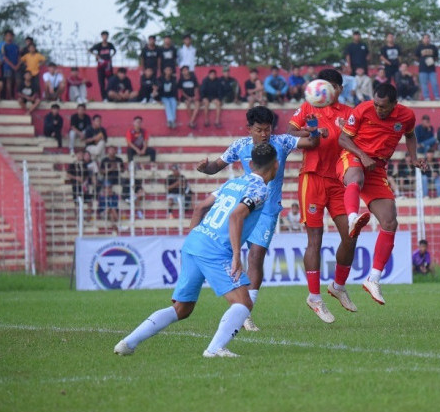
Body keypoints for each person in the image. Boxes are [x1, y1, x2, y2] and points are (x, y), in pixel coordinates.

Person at [114, 143, 278, 358]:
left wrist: (193, 238)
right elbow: (236, 216)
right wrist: (237, 255)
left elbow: (201, 207)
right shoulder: (260, 190)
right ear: (275, 166)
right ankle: (215, 349)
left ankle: (128, 343)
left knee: (182, 308)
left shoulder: (233, 183)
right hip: (215, 250)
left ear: (250, 164)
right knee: (243, 302)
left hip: (195, 241)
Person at [196, 106, 319, 330]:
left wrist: (313, 130)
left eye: (268, 129)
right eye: (260, 130)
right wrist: (205, 168)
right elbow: (216, 167)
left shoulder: (281, 142)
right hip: (244, 207)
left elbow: (311, 143)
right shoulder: (239, 146)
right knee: (229, 253)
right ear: (249, 129)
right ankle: (234, 299)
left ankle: (245, 311)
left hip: (268, 210)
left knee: (255, 256)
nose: (264, 134)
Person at [338, 82, 428, 304]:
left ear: (395, 105)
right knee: (355, 177)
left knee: (389, 222)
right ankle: (352, 219)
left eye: (383, 107)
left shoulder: (406, 116)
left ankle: (373, 279)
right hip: (354, 157)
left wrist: (414, 158)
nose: (378, 110)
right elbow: (342, 138)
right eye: (376, 105)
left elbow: (410, 135)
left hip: (377, 168)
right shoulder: (362, 109)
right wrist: (362, 155)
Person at [288, 68, 360, 323]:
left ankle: (338, 286)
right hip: (313, 177)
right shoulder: (308, 108)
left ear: (339, 89)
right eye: (322, 85)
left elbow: (357, 139)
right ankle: (314, 297)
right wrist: (310, 133)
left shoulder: (349, 113)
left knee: (351, 234)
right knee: (315, 239)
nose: (324, 90)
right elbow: (291, 132)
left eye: (330, 86)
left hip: (340, 179)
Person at [89, 31, 116, 101]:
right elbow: (90, 50)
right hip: (101, 67)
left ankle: (110, 97)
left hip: (108, 67)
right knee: (101, 83)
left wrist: (111, 57)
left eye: (106, 36)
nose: (105, 37)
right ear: (101, 36)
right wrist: (97, 56)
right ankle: (104, 98)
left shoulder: (110, 45)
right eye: (103, 36)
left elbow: (114, 51)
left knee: (110, 82)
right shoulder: (99, 45)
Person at [414, 33, 440, 100]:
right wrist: (421, 60)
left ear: (429, 39)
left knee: (434, 83)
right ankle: (426, 97)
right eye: (425, 38)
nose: (426, 39)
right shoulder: (419, 47)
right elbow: (416, 57)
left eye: (428, 38)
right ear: (422, 39)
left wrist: (432, 60)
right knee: (424, 84)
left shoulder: (433, 47)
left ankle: (437, 96)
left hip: (432, 69)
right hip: (422, 69)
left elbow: (437, 57)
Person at [0, 30, 19, 99]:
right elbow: (4, 57)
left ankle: (16, 96)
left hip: (16, 66)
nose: (9, 37)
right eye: (7, 36)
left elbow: (19, 56)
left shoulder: (16, 46)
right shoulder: (4, 46)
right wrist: (13, 66)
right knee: (9, 81)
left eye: (10, 36)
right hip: (7, 67)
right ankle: (10, 97)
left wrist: (17, 65)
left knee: (16, 81)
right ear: (5, 37)